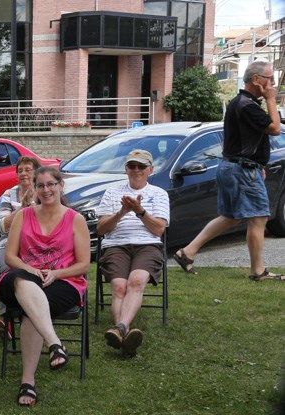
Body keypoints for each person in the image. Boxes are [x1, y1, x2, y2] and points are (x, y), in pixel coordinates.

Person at [173, 60, 283, 281]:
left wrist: (258, 165)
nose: (273, 83)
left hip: (235, 167)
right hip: (242, 170)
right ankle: (258, 270)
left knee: (231, 216)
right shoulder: (247, 105)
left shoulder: (239, 102)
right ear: (256, 80)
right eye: (270, 78)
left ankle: (187, 252)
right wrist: (271, 99)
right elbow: (275, 129)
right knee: (259, 216)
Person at [0, 166, 90, 407]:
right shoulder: (23, 215)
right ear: (35, 189)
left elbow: (83, 265)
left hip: (63, 281)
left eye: (51, 184)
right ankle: (54, 343)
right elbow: (10, 257)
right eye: (41, 185)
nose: (46, 190)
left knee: (31, 312)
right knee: (18, 279)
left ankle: (27, 381)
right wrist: (30, 270)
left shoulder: (75, 219)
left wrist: (57, 273)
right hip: (23, 278)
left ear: (61, 185)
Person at [95, 149, 170, 357]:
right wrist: (122, 212)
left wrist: (139, 211)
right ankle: (125, 335)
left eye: (141, 166)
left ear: (150, 170)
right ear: (126, 169)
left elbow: (158, 230)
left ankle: (119, 329)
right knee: (119, 287)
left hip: (148, 245)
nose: (137, 170)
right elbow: (101, 230)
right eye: (132, 166)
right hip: (115, 245)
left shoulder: (159, 194)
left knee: (136, 281)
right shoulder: (112, 192)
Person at [0, 156, 40, 336]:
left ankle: (22, 315)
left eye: (28, 169)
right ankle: (9, 318)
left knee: (30, 271)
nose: (23, 173)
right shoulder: (9, 194)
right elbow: (0, 226)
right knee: (9, 269)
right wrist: (22, 209)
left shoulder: (45, 192)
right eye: (20, 171)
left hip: (36, 248)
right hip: (8, 245)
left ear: (36, 172)